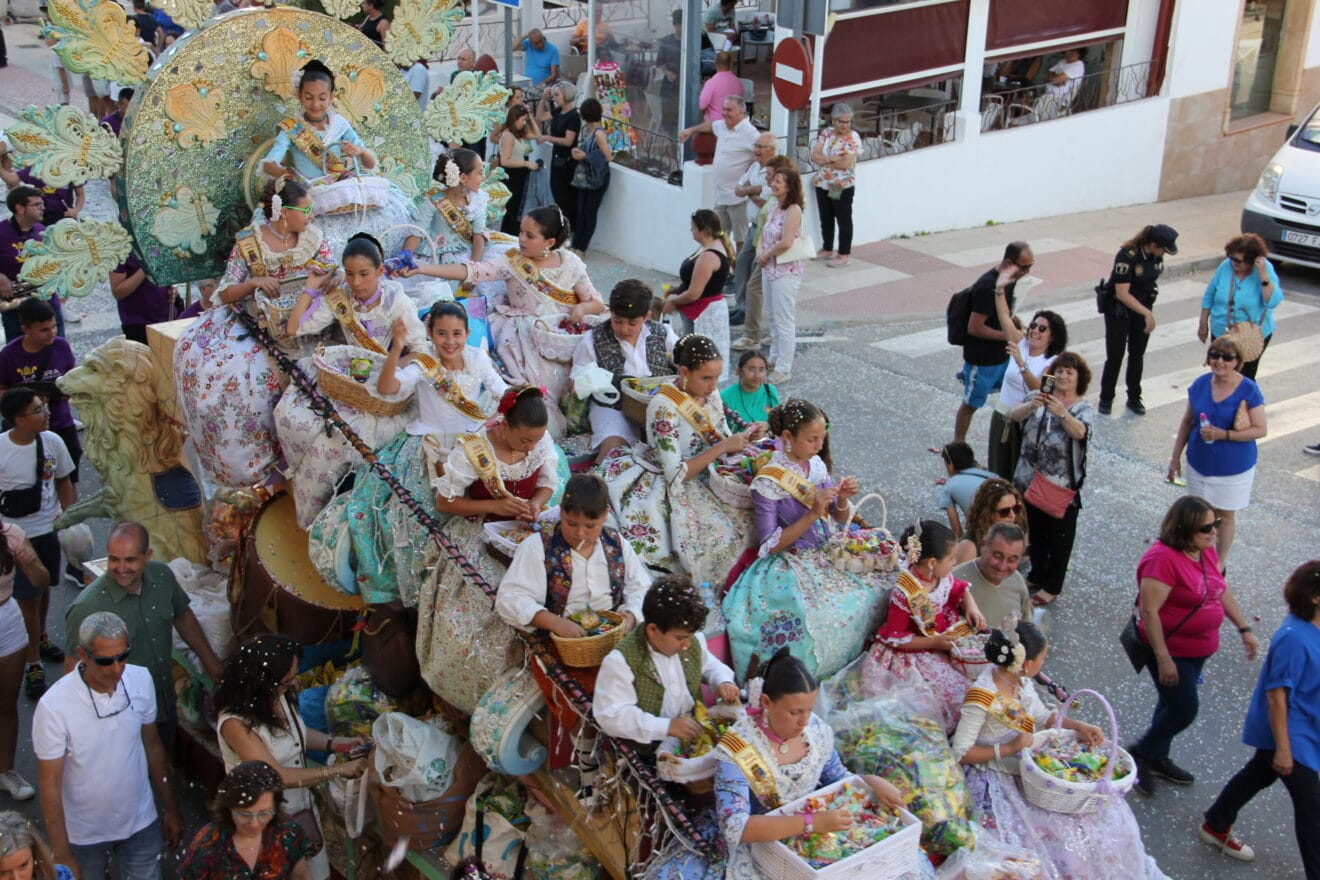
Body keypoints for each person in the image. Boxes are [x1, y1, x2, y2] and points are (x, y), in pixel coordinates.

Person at [644, 648, 905, 880]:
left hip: (816, 835)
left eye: (809, 709)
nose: (804, 721)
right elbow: (737, 827)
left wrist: (872, 782)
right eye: (794, 712)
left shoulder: (816, 731)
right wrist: (811, 822)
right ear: (766, 703)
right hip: (758, 843)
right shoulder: (736, 749)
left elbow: (836, 777)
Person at [953, 620, 1168, 880]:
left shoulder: (1020, 681)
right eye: (1043, 658)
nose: (1044, 663)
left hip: (1030, 765)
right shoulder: (982, 695)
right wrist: (1008, 748)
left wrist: (1077, 725)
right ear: (1027, 664)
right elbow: (961, 751)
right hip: (996, 772)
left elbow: (1042, 716)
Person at [330, 301, 507, 606]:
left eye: (456, 333)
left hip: (474, 445)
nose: (449, 341)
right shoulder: (423, 364)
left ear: (466, 333)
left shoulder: (479, 359)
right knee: (415, 515)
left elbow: (502, 393)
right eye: (441, 333)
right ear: (429, 333)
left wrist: (500, 418)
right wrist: (397, 347)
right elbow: (387, 388)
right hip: (427, 447)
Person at [172, 177, 335, 490]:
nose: (311, 215)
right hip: (257, 321)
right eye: (306, 209)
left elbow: (329, 271)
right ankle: (261, 463)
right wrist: (253, 284)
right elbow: (225, 292)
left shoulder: (313, 237)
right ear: (283, 213)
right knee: (237, 378)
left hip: (309, 319)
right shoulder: (250, 243)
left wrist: (328, 279)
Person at [415, 387, 561, 715]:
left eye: (536, 440)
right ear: (503, 425)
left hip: (522, 529)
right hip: (478, 530)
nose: (531, 447)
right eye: (525, 441)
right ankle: (475, 691)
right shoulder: (474, 449)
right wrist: (494, 504)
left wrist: (534, 505)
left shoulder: (539, 443)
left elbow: (548, 482)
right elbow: (445, 502)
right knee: (488, 602)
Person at [723, 399, 892, 683]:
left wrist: (841, 499)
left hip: (826, 550)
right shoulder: (769, 480)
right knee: (816, 617)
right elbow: (769, 544)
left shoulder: (815, 466)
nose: (818, 445)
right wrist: (813, 513)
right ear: (788, 437)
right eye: (812, 439)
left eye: (821, 438)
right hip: (789, 561)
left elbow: (837, 518)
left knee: (874, 590)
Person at [495, 473, 649, 781]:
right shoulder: (538, 548)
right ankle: (587, 764)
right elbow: (510, 598)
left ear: (606, 516)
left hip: (612, 635)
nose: (579, 533)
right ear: (561, 513)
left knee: (645, 684)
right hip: (558, 641)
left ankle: (633, 759)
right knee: (583, 698)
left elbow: (640, 587)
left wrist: (629, 617)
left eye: (590, 527)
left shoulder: (617, 544)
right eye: (571, 523)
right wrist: (554, 622)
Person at [402, 207, 605, 435]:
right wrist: (422, 268)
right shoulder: (512, 260)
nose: (521, 239)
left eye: (530, 235)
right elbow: (473, 271)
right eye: (521, 232)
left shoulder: (571, 263)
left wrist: (581, 308)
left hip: (561, 335)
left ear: (549, 242)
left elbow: (595, 302)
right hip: (521, 336)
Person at [596, 335, 760, 591]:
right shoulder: (664, 406)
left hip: (711, 472)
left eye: (716, 377)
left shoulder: (710, 393)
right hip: (669, 481)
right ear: (684, 372)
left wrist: (747, 436)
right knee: (717, 534)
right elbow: (675, 473)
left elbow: (722, 435)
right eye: (706, 378)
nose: (713, 385)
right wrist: (722, 448)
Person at [35, 611, 183, 880]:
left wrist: (171, 807)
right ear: (82, 653)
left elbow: (152, 745)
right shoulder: (53, 706)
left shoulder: (141, 679)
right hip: (83, 834)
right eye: (105, 661)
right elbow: (50, 783)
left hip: (141, 821)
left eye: (122, 656)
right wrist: (62, 853)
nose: (117, 668)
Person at [1128, 495, 1258, 797]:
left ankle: (1157, 755)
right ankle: (1143, 752)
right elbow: (1150, 612)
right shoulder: (1163, 560)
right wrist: (1163, 659)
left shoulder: (1204, 552)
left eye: (1216, 524)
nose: (1214, 531)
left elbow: (1220, 591)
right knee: (1184, 709)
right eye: (1206, 528)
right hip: (1170, 649)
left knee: (1171, 703)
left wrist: (1244, 628)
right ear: (1185, 529)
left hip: (1198, 649)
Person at [1200, 560, 1320, 873]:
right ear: (1316, 597)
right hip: (1293, 735)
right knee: (1312, 807)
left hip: (1306, 728)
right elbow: (1276, 696)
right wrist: (1283, 748)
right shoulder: (1294, 638)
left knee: (1260, 773)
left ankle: (1216, 822)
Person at [215, 635, 368, 880]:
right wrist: (336, 771)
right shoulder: (235, 723)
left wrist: (336, 744)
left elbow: (298, 735)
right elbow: (276, 776)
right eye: (287, 680)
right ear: (262, 681)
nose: (294, 682)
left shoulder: (279, 696)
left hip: (300, 812)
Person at [63, 521, 224, 745]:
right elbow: (72, 672)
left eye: (129, 559)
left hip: (163, 706)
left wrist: (212, 665)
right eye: (113, 559)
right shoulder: (87, 607)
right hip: (118, 722)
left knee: (160, 762)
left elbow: (182, 616)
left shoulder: (162, 577)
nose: (121, 568)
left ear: (147, 555)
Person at [863, 520, 986, 731]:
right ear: (931, 562)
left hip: (940, 635)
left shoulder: (941, 577)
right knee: (940, 696)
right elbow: (896, 637)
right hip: (915, 649)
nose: (955, 562)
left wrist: (972, 607)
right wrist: (935, 642)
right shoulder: (905, 592)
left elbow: (959, 589)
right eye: (951, 558)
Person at [594, 575, 739, 752]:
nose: (686, 644)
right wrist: (666, 727)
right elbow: (611, 715)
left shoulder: (691, 640)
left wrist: (722, 680)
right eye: (679, 638)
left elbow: (708, 665)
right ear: (652, 630)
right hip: (646, 751)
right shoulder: (621, 661)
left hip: (692, 739)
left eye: (689, 637)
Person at [1166, 337, 1267, 564]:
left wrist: (1224, 434)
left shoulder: (1249, 389)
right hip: (1199, 461)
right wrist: (1175, 458)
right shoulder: (1201, 384)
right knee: (1197, 514)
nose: (1219, 361)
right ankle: (1195, 556)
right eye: (1214, 355)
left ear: (1237, 361)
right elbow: (1187, 423)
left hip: (1233, 467)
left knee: (1226, 515)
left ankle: (1219, 563)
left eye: (1227, 357)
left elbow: (1261, 429)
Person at [0, 388, 73, 700]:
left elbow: (64, 481)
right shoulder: (1, 448)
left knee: (43, 590)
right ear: (19, 419)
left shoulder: (53, 442)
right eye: (38, 410)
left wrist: (71, 520)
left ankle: (39, 636)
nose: (47, 413)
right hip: (16, 537)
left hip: (48, 530)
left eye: (44, 407)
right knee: (27, 599)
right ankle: (32, 661)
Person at [1008, 351, 1093, 605]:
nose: (1063, 376)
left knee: (1059, 537)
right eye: (1059, 371)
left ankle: (1052, 585)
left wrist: (1062, 413)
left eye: (1069, 372)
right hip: (1028, 477)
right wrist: (1033, 405)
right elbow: (1014, 416)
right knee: (1034, 530)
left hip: (1059, 485)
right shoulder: (1039, 396)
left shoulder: (1082, 408)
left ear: (1080, 378)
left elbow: (1081, 433)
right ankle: (1036, 573)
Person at [570, 280, 676, 462]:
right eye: (617, 321)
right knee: (614, 449)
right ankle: (596, 486)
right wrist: (602, 380)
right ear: (610, 313)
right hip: (612, 407)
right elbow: (575, 381)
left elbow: (683, 362)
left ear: (646, 316)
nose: (624, 329)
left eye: (632, 323)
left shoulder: (663, 333)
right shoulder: (593, 339)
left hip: (658, 405)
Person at [286, 233, 426, 350]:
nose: (356, 282)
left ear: (380, 270)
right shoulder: (340, 298)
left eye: (364, 274)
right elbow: (293, 329)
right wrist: (311, 287)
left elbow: (419, 349)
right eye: (349, 274)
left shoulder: (394, 299)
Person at [178, 760, 313, 880]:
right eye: (244, 814)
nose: (254, 824)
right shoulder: (206, 847)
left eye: (264, 813)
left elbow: (301, 875)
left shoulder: (287, 832)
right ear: (229, 807)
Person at [954, 241, 1034, 444]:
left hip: (1000, 355)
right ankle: (958, 444)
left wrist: (1015, 322)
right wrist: (1008, 335)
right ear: (1008, 262)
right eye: (1024, 266)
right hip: (982, 357)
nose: (1027, 272)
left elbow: (1004, 308)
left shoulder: (1009, 278)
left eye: (1030, 265)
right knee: (971, 404)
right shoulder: (986, 287)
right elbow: (975, 327)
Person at [405, 150, 516, 288]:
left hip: (467, 255)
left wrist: (474, 273)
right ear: (463, 178)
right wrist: (404, 260)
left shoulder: (477, 200)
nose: (482, 178)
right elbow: (418, 232)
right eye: (480, 173)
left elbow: (478, 237)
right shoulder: (433, 200)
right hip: (435, 256)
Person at [1098, 224, 1178, 416]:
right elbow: (1122, 293)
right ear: (1152, 244)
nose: (1163, 254)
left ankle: (1134, 396)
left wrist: (1145, 312)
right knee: (1115, 355)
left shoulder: (1155, 256)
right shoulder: (1128, 255)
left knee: (1137, 354)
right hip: (1120, 311)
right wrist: (1147, 314)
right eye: (1163, 249)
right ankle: (1106, 398)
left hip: (1141, 310)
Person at [0, 298, 81, 481]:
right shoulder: (8, 355)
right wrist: (29, 400)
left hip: (61, 423)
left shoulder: (61, 346)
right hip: (24, 431)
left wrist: (70, 390)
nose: (52, 333)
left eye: (53, 326)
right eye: (44, 329)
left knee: (68, 477)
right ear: (25, 329)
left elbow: (73, 376)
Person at [0, 519, 47, 801]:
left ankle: (6, 771)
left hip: (7, 621)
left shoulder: (12, 535)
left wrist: (30, 562)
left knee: (6, 703)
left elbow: (41, 581)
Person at [989, 309, 1066, 479]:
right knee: (997, 471)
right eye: (1033, 325)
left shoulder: (1054, 362)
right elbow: (1003, 316)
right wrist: (1000, 290)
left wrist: (1021, 364)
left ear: (1052, 336)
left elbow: (1042, 391)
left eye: (1042, 329)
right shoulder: (1021, 344)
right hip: (1002, 415)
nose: (1035, 330)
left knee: (1020, 475)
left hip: (1027, 423)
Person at [1198, 233, 1283, 380]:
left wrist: (1263, 277)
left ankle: (1246, 403)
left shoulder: (1264, 270)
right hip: (1222, 331)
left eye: (1238, 261)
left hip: (1250, 336)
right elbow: (1210, 294)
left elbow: (1273, 302)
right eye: (1231, 258)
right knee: (1220, 374)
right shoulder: (1225, 266)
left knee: (1243, 379)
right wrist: (1203, 323)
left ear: (1252, 261)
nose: (1233, 263)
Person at [679, 97, 759, 244]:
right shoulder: (723, 126)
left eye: (729, 110)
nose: (724, 113)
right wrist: (691, 130)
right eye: (723, 109)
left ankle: (738, 268)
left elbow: (762, 154)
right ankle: (723, 265)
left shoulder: (750, 133)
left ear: (741, 111)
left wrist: (751, 177)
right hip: (721, 196)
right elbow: (710, 126)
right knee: (718, 237)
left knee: (741, 240)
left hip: (738, 199)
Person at [757, 165, 805, 385]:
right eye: (773, 179)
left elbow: (786, 241)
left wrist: (766, 254)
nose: (773, 184)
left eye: (779, 181)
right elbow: (763, 234)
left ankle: (784, 366)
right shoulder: (774, 206)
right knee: (772, 314)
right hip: (769, 267)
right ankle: (774, 356)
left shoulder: (793, 209)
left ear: (789, 186)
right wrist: (761, 253)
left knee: (784, 318)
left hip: (786, 270)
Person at [729, 134, 778, 341]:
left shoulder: (776, 170)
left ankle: (752, 326)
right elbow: (739, 189)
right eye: (755, 145)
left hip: (766, 232)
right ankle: (742, 306)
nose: (756, 150)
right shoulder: (753, 166)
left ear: (772, 149)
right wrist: (753, 190)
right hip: (754, 227)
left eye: (761, 146)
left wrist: (751, 192)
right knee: (741, 262)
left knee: (756, 280)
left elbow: (766, 202)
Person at [0, 188, 62, 344]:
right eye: (37, 205)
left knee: (57, 354)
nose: (43, 208)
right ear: (20, 208)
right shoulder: (1, 232)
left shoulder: (43, 231)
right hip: (16, 311)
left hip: (48, 306)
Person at [660, 210, 734, 337]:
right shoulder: (709, 246)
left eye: (693, 228)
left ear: (703, 231)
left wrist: (672, 302)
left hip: (703, 313)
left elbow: (694, 294)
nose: (691, 231)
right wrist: (677, 290)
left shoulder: (708, 257)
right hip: (700, 311)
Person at [810, 104, 863, 269]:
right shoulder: (826, 133)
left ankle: (844, 253)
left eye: (848, 122)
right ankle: (827, 248)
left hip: (841, 184)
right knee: (825, 217)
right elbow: (814, 156)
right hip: (823, 183)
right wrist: (832, 158)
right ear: (833, 120)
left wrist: (825, 159)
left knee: (843, 218)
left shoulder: (853, 138)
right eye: (841, 121)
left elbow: (846, 163)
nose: (845, 125)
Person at [951, 522, 1029, 631]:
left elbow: (1025, 627)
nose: (1002, 566)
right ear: (983, 545)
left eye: (1012, 560)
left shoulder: (1018, 582)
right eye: (997, 556)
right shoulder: (953, 581)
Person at [569, 98, 612, 254]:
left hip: (596, 177)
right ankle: (575, 245)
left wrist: (585, 156)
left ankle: (581, 247)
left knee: (589, 212)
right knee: (581, 211)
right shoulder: (589, 131)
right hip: (587, 176)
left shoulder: (598, 133)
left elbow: (607, 156)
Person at [953, 477, 1028, 565]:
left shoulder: (1011, 535)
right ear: (987, 513)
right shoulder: (969, 548)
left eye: (1016, 508)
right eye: (1004, 511)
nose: (1012, 515)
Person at [536, 82, 580, 227]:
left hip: (567, 161)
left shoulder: (573, 116)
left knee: (565, 196)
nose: (554, 98)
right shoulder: (558, 112)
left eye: (557, 95)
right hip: (556, 159)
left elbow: (568, 141)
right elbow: (540, 117)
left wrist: (547, 138)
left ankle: (568, 226)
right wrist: (543, 99)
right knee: (557, 193)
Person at [108, 253, 178, 344]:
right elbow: (118, 291)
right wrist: (145, 269)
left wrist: (171, 287)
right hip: (138, 322)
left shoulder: (156, 243)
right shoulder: (121, 250)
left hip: (166, 316)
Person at [696, 52, 745, 180]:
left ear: (715, 64)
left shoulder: (712, 82)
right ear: (731, 64)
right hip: (734, 125)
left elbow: (701, 104)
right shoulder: (737, 82)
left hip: (714, 128)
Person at [497, 103, 541, 236]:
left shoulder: (519, 133)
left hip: (520, 174)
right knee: (511, 209)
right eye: (522, 120)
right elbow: (504, 160)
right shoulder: (508, 136)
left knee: (517, 208)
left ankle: (512, 234)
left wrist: (530, 118)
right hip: (511, 175)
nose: (523, 123)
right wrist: (525, 163)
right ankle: (509, 234)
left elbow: (537, 135)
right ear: (514, 119)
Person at [937, 441, 996, 538]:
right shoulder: (991, 475)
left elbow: (957, 532)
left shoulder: (949, 486)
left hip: (987, 534)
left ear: (950, 466)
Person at [0, 811, 75, 879]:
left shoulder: (60, 876)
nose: (17, 878)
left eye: (23, 865)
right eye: (3, 872)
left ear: (34, 856)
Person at [720, 350, 778, 424]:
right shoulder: (725, 396)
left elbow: (777, 421)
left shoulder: (770, 391)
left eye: (761, 370)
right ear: (739, 371)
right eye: (751, 369)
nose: (757, 375)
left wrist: (766, 428)